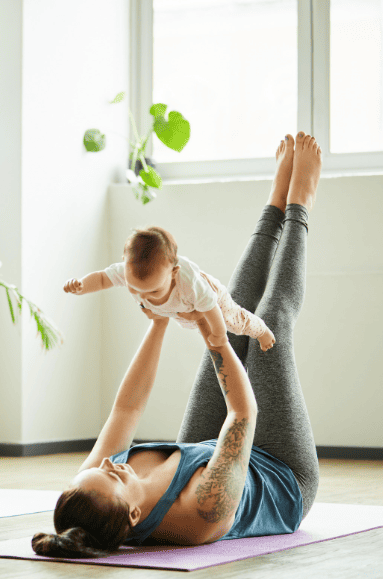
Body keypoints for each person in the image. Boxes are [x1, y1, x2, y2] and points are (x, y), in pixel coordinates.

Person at [34, 132, 322, 556]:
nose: (110, 463)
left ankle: (273, 203)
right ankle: (300, 207)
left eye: (100, 468)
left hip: (204, 449)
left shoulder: (94, 489)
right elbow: (243, 412)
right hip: (279, 472)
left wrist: (160, 319)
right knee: (272, 323)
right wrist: (219, 342)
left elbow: (126, 409)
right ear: (134, 517)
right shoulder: (202, 513)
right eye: (114, 474)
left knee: (227, 304)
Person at [63, 225, 275, 352]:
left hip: (211, 301)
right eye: (133, 288)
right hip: (177, 310)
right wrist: (81, 286)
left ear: (173, 273)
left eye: (153, 291)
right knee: (167, 314)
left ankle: (261, 330)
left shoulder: (191, 284)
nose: (141, 295)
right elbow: (101, 279)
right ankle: (174, 311)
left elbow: (212, 310)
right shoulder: (129, 270)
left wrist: (219, 336)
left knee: (234, 322)